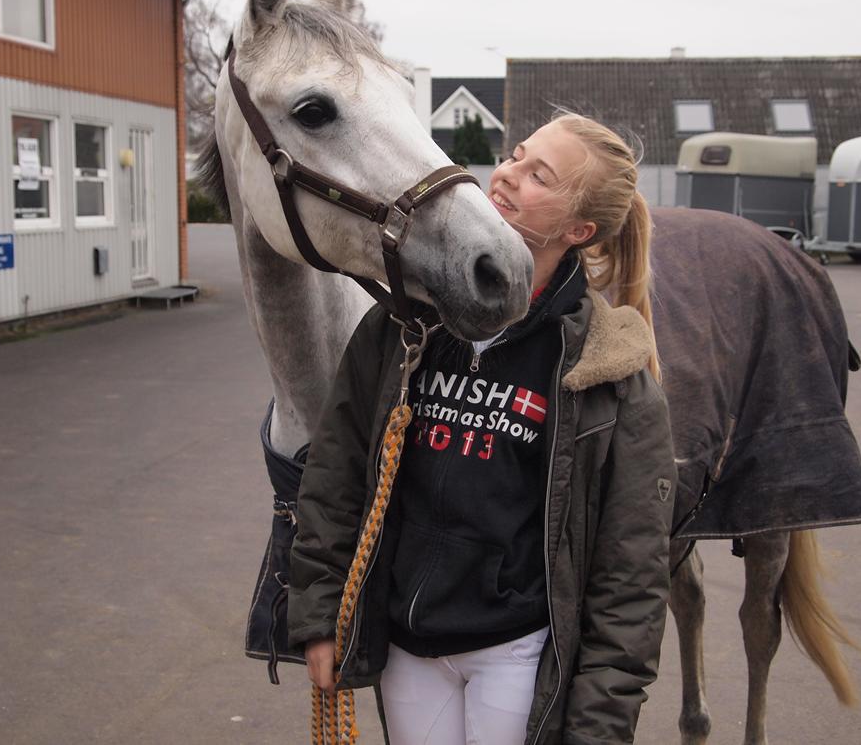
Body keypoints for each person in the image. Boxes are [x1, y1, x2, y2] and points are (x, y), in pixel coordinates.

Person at [287, 112, 677, 744]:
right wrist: (321, 613)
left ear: (578, 229)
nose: (507, 175)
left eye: (538, 176)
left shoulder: (611, 373)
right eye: (516, 156)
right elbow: (334, 474)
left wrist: (601, 723)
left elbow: (631, 576)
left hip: (514, 655)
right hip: (408, 647)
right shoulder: (404, 327)